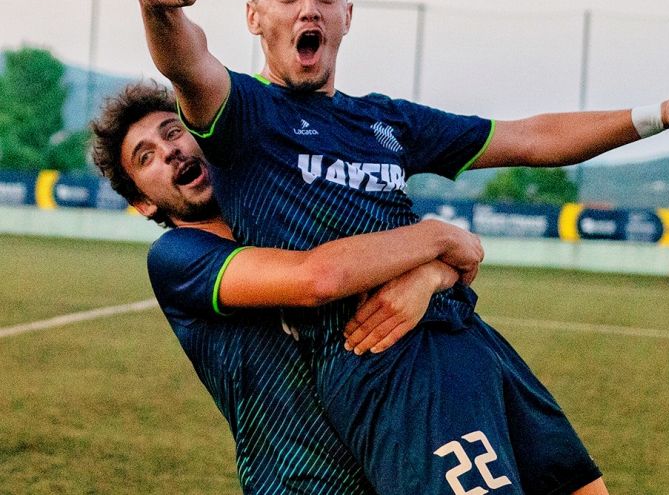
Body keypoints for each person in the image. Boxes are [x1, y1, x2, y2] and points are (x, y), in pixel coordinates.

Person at [132, 0, 669, 495]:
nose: (309, 7)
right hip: (383, 356)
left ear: (347, 16)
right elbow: (187, 63)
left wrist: (658, 114)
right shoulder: (244, 113)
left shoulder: (386, 119)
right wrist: (160, 10)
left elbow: (529, 137)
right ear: (255, 17)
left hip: (468, 335)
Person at [90, 82, 485, 495]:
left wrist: (430, 277)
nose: (170, 151)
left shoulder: (283, 220)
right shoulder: (176, 257)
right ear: (143, 203)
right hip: (297, 483)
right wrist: (436, 237)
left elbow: (382, 260)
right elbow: (317, 279)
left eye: (173, 132)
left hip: (388, 469)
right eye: (146, 156)